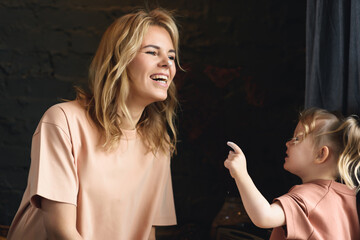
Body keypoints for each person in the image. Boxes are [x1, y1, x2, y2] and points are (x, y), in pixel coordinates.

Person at [7, 8, 180, 240]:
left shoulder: (159, 143)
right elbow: (61, 231)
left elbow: (146, 232)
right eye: (152, 52)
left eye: (171, 56)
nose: (167, 64)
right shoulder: (63, 121)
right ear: (119, 59)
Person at [224, 108, 360, 239]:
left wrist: (241, 173)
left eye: (297, 139)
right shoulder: (346, 197)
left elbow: (264, 216)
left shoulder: (308, 195)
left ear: (321, 154)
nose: (288, 143)